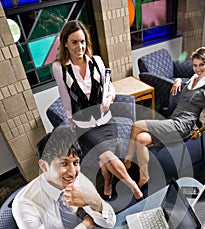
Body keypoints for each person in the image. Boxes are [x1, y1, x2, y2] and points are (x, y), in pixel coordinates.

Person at [12, 126, 116, 229]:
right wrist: (87, 224)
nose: (73, 172)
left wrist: (93, 201)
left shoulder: (76, 177)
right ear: (44, 166)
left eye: (76, 162)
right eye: (64, 163)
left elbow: (110, 221)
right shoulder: (24, 205)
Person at [52, 20, 143, 201]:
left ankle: (108, 184)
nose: (80, 47)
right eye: (74, 42)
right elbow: (64, 96)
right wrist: (70, 119)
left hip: (105, 119)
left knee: (104, 159)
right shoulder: (59, 68)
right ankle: (133, 185)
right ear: (65, 44)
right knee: (107, 154)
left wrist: (109, 98)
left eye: (83, 41)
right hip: (83, 124)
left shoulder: (97, 62)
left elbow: (109, 88)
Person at [124, 47, 205, 188]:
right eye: (195, 65)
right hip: (173, 120)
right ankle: (144, 176)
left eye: (202, 65)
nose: (198, 69)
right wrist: (177, 80)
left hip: (183, 126)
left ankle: (126, 162)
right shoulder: (194, 78)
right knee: (140, 139)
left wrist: (200, 131)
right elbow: (185, 86)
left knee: (137, 125)